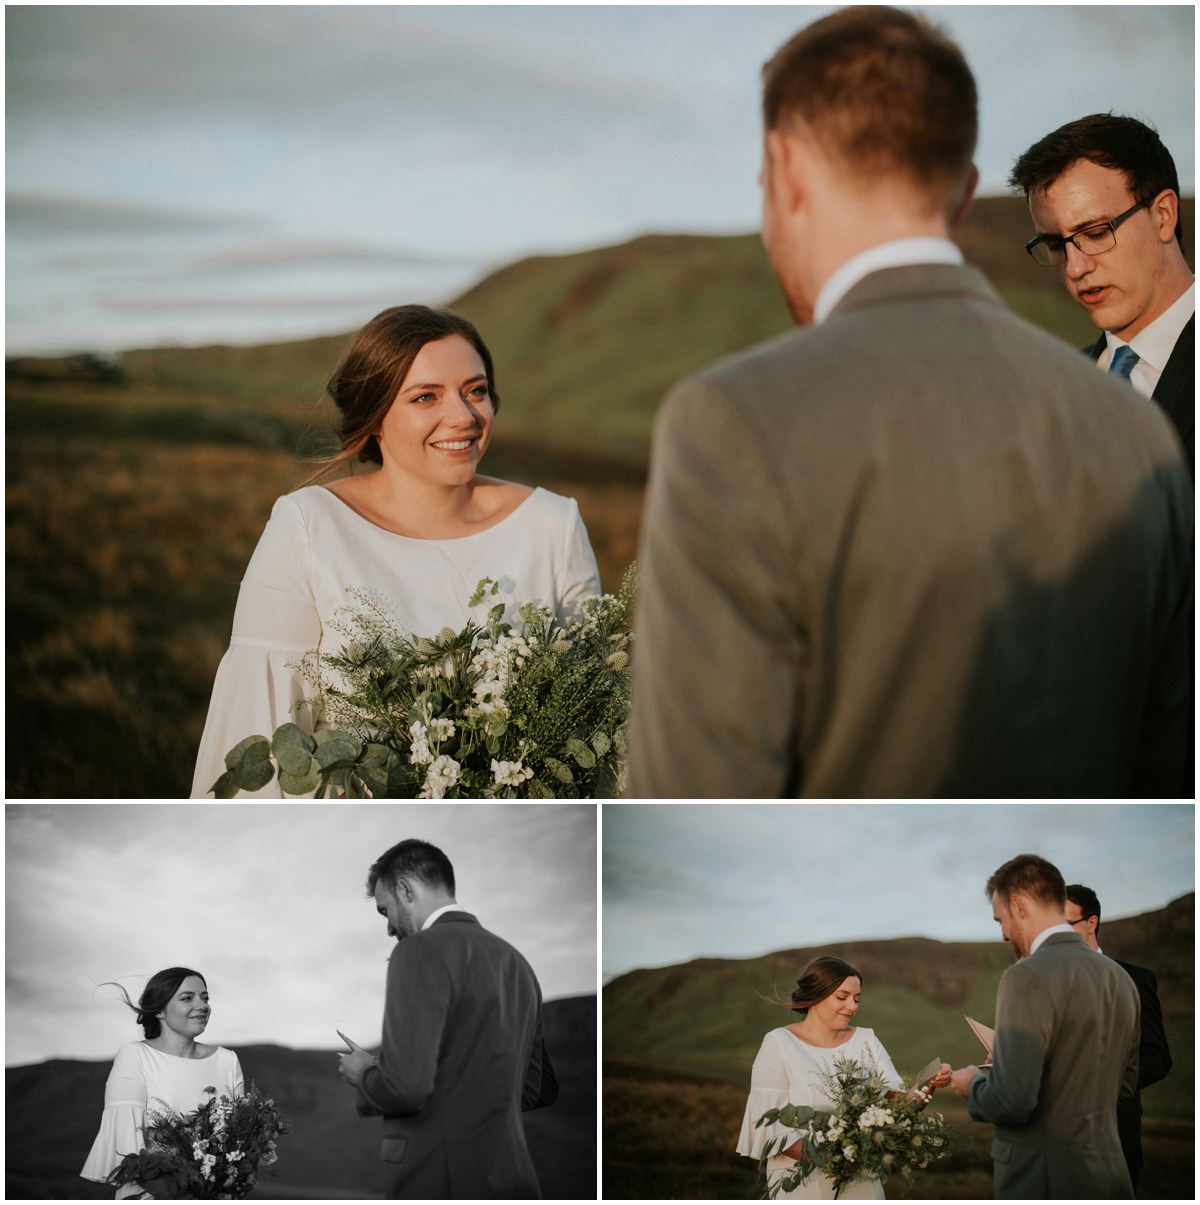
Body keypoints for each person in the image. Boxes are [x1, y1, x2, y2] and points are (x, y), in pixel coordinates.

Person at [626, 5, 1193, 798]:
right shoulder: (1133, 426)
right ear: (964, 191)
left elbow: (698, 788)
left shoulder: (728, 421)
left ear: (786, 168)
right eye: (1057, 243)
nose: (1075, 265)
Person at [191, 305, 601, 797]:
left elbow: (592, 717)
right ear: (375, 415)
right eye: (426, 397)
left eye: (475, 391)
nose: (464, 416)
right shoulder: (309, 526)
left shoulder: (553, 525)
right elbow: (260, 717)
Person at [336, 838, 557, 1199]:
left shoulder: (417, 950)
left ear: (406, 889)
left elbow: (405, 1089)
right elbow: (533, 1089)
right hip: (514, 1181)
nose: (389, 928)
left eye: (384, 910)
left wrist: (366, 1074)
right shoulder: (518, 964)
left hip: (440, 1181)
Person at [1010, 114, 1194, 472]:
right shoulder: (1051, 396)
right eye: (1055, 245)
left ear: (1163, 215)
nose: (1075, 268)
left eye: (1095, 233)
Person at [950, 855, 1139, 1199]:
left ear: (1019, 906)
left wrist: (974, 1083)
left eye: (1000, 919)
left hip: (1046, 1181)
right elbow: (1123, 1087)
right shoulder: (1121, 979)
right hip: (1110, 1176)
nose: (1003, 935)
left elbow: (1011, 1101)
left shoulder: (1026, 975)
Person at [736, 955, 951, 1199]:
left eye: (857, 999)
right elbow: (769, 1125)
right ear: (816, 994)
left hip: (862, 1183)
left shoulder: (867, 1041)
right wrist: (831, 1160)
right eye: (842, 997)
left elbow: (898, 1106)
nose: (853, 1006)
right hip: (800, 1185)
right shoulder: (779, 1043)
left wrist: (930, 1084)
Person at [80, 968, 244, 1199]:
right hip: (149, 1194)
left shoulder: (227, 1061)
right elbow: (127, 1149)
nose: (202, 1005)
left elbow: (238, 1142)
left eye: (205, 998)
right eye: (187, 998)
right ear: (159, 1010)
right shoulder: (135, 1055)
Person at [1065, 882, 1172, 1189]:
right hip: (1054, 1145)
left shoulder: (1136, 980)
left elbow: (1157, 1058)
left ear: (1091, 923)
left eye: (1066, 925)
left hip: (1113, 1139)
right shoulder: (1043, 983)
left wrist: (1102, 1082)